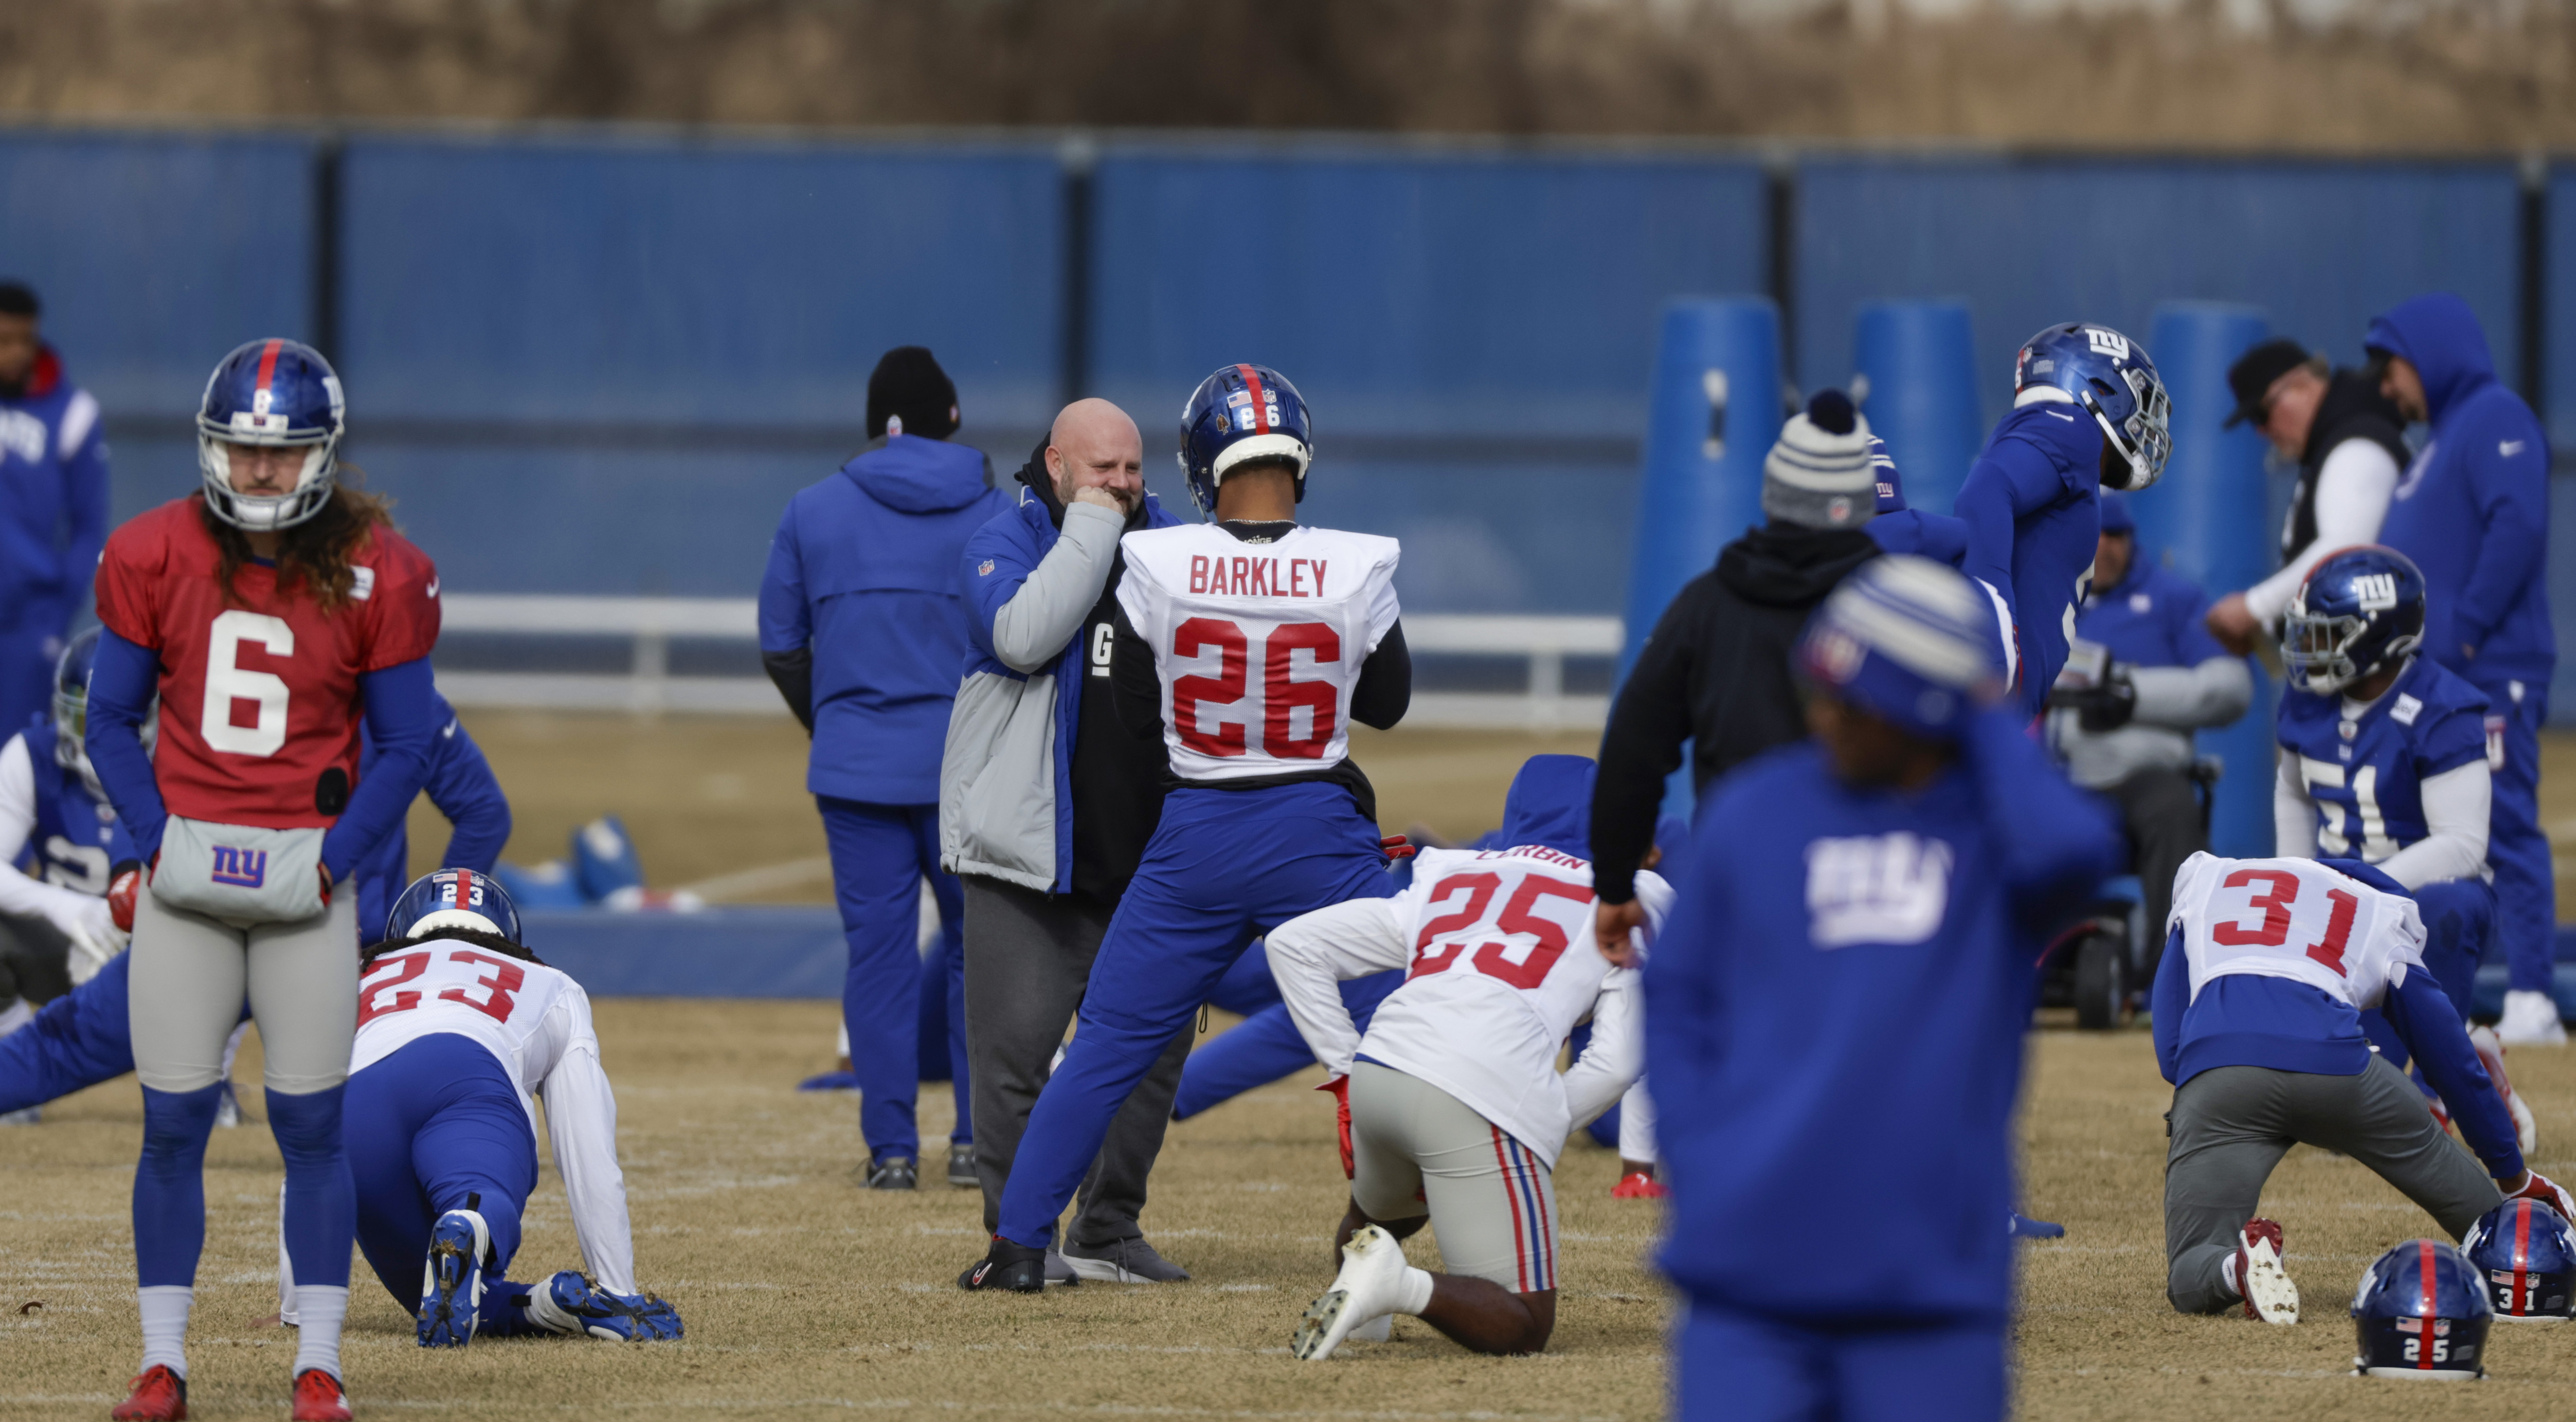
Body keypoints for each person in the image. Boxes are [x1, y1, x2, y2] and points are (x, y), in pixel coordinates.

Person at [958, 362, 1411, 1292]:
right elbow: (1390, 701)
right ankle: (1407, 1221)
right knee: (1407, 1025)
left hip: (1195, 832)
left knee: (1104, 1049)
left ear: (1199, 466)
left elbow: (1130, 711)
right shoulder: (1358, 560)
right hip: (1315, 825)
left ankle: (1015, 1248)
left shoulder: (1157, 559)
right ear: (1301, 455)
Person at [1647, 556, 2121, 1422]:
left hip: (1928, 1293)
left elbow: (2078, 852)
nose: (1821, 714)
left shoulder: (1992, 835)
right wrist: (1695, 1150)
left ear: (1921, 711)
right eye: (1817, 688)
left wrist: (1975, 711)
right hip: (1747, 1284)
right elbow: (1676, 996)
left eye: (1851, 697)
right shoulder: (1755, 810)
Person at [85, 338, 442, 1422]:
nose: (259, 475)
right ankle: (163, 1364)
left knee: (313, 1129)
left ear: (321, 456)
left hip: (305, 893)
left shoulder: (383, 569)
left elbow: (407, 747)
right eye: (243, 452)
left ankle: (319, 1364)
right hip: (189, 885)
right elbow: (106, 717)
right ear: (212, 448)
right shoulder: (151, 552)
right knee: (173, 1123)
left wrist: (333, 860)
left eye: (281, 457)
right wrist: (155, 842)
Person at [1264, 754, 1671, 1360]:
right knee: (1525, 1323)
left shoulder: (1454, 872)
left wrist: (1345, 1073)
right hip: (1478, 1086)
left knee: (1382, 1217)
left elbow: (1293, 945)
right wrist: (1536, 1122)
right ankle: (1395, 1288)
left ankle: (1358, 1303)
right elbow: (1616, 1061)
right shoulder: (1636, 894)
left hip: (1382, 1069)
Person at [940, 397, 1194, 1281]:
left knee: (1150, 1061)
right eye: (1100, 471)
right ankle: (1021, 1238)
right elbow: (1020, 636)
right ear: (1055, 465)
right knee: (1010, 1062)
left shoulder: (1172, 546)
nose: (1122, 486)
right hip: (1027, 864)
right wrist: (1090, 528)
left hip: (1148, 865)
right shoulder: (997, 536)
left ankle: (1109, 1228)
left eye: (1131, 469)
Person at [0, 686, 509, 1120]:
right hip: (320, 939)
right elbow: (484, 812)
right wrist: (424, 931)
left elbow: (483, 813)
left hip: (230, 921)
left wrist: (132, 866)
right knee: (348, 1118)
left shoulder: (233, 668)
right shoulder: (394, 692)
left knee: (63, 1051)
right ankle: (209, 1080)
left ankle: (209, 1081)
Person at [759, 345, 1006, 1190]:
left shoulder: (810, 511)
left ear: (876, 427)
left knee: (877, 958)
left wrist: (832, 720)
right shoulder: (995, 515)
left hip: (854, 768)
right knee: (983, 953)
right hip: (965, 774)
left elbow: (780, 645)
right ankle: (977, 1143)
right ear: (951, 420)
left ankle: (891, 1151)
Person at [2153, 851, 2572, 1321]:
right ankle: (2531, 1273)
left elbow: (2171, 1048)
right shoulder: (2377, 907)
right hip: (2338, 1071)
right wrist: (2512, 1177)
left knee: (2191, 1273)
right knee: (2489, 1230)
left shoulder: (2210, 877)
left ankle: (2236, 1267)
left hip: (2222, 1076)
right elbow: (2449, 1055)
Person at [279, 869, 680, 1347]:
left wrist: (295, 1307)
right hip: (468, 1074)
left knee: (430, 1292)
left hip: (359, 1107)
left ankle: (545, 1304)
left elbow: (306, 1150)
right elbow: (588, 1150)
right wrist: (619, 1288)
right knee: (478, 1191)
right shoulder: (553, 983)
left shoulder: (364, 974)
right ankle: (471, 1220)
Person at [1589, 389, 1881, 960]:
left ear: (1772, 492)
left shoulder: (1707, 604)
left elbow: (1633, 746)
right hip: (1867, 894)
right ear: (1859, 498)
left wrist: (1616, 882)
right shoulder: (1898, 606)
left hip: (1739, 884)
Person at [2362, 296, 2560, 1045]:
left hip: (2490, 669)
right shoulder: (2444, 438)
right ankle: (2460, 990)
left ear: (2432, 352)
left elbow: (2519, 522)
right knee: (2447, 832)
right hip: (2444, 678)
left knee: (2501, 823)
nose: (2387, 387)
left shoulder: (2495, 417)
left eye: (2393, 368)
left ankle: (2534, 998)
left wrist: (2468, 636)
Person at [2273, 548, 2495, 1024]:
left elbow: (2463, 846)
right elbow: (2292, 791)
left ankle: (2440, 1085)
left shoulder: (2443, 708)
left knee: (2450, 904)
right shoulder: (2306, 698)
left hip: (2414, 905)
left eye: (2325, 633)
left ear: (2376, 638)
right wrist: (2295, 884)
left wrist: (2362, 891)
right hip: (2339, 902)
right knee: (2327, 1069)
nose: (2308, 644)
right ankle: (2475, 1055)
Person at [2046, 493, 2253, 967]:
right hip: (2055, 777)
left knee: (2172, 806)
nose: (2105, 547)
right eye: (2094, 535)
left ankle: (2169, 976)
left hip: (2138, 781)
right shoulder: (2041, 594)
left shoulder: (2173, 599)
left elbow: (2231, 686)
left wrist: (2131, 693)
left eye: (2116, 535)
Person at [1956, 322, 2171, 722]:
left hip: (2003, 718)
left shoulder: (2069, 448)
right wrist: (1992, 621)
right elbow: (1983, 496)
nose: (2148, 418)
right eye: (2141, 398)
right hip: (1990, 710)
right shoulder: (2072, 428)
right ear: (2101, 386)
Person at [2202, 338, 2407, 655]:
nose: (2261, 431)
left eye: (2261, 413)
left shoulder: (2356, 443)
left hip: (2373, 669)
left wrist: (2255, 608)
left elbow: (2344, 551)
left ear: (2299, 385)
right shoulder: (2334, 443)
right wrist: (2269, 625)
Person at [0, 630, 137, 1073]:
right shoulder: (32, 755)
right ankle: (14, 1053)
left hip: (161, 959)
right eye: (88, 720)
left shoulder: (183, 761)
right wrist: (71, 910)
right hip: (65, 949)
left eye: (119, 719)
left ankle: (212, 1082)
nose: (99, 738)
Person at [0, 281, 110, 738]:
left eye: (27, 339)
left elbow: (89, 525)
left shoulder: (73, 414)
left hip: (31, 622)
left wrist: (59, 608)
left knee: (16, 764)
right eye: (4, 341)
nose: (18, 353)